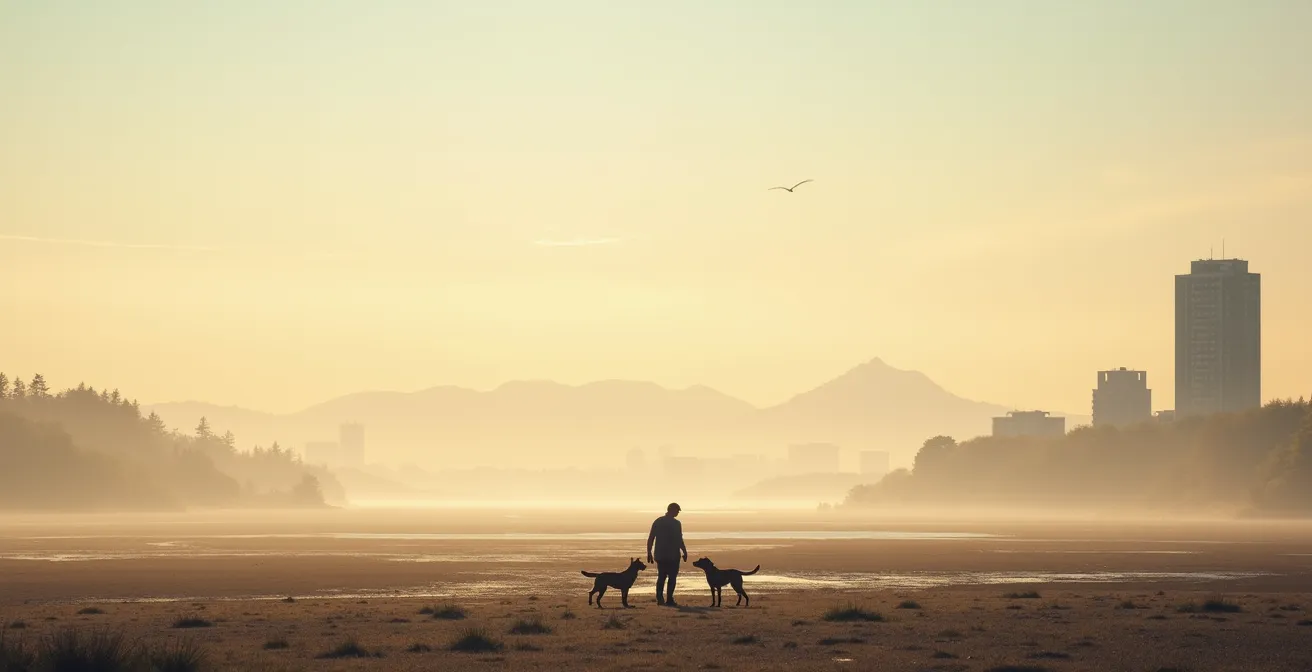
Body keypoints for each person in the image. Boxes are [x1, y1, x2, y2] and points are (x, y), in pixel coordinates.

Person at [646, 502, 687, 606]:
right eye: (677, 511)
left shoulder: (658, 521)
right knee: (671, 578)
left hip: (661, 555)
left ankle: (661, 599)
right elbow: (679, 539)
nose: (678, 513)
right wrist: (684, 551)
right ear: (672, 510)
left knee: (662, 577)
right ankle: (668, 599)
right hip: (671, 555)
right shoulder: (676, 523)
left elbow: (651, 538)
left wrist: (649, 552)